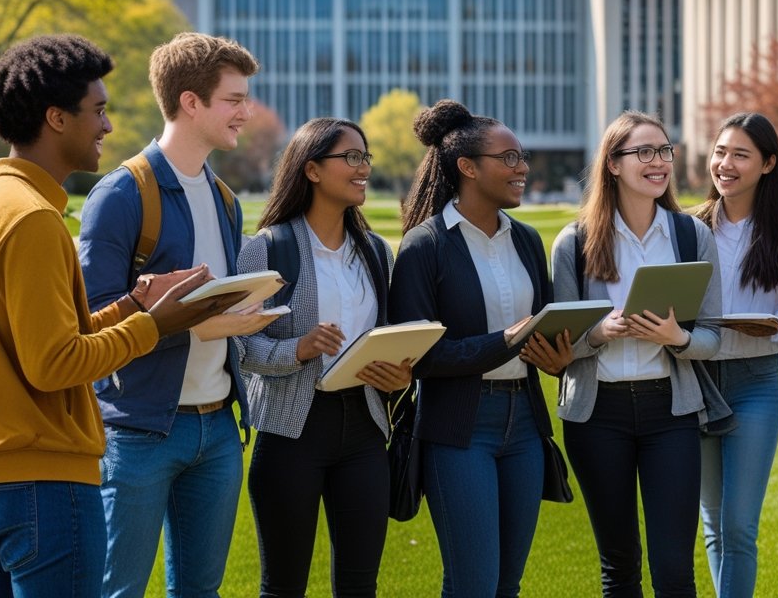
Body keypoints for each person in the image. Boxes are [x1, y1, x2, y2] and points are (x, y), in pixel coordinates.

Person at [0, 34, 239, 597]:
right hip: (39, 479)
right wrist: (156, 325)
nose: (107, 127)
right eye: (97, 111)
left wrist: (133, 304)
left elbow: (43, 339)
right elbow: (55, 364)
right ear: (56, 119)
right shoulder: (32, 220)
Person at [79, 32, 270, 597]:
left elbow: (212, 302)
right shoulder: (120, 196)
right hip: (137, 431)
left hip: (217, 428)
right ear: (191, 102)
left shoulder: (226, 200)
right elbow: (92, 323)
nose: (247, 111)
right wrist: (207, 325)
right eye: (234, 100)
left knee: (200, 592)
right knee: (118, 591)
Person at [388, 99, 559, 598]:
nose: (521, 167)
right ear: (467, 167)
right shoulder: (424, 246)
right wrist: (504, 341)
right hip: (459, 430)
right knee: (473, 585)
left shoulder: (527, 240)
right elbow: (420, 356)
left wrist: (557, 356)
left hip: (525, 425)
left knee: (507, 584)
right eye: (508, 158)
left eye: (521, 156)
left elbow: (541, 327)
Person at [550, 110, 723, 598]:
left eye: (665, 150)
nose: (659, 162)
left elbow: (712, 338)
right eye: (643, 152)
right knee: (619, 566)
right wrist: (600, 332)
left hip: (671, 413)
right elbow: (557, 351)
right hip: (595, 416)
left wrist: (677, 338)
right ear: (613, 164)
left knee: (674, 570)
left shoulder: (692, 237)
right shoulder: (575, 242)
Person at [235, 117, 412, 597]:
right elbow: (242, 347)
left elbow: (388, 336)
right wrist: (299, 347)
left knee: (360, 585)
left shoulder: (377, 252)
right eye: (350, 157)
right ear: (311, 170)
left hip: (364, 430)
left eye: (365, 157)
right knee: (283, 586)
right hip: (291, 432)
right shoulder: (267, 249)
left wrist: (398, 375)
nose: (363, 168)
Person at [694, 112, 778, 598]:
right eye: (721, 152)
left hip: (758, 380)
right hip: (697, 380)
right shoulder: (690, 228)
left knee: (738, 524)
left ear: (767, 164)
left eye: (740, 154)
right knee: (713, 523)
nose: (726, 164)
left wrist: (776, 325)